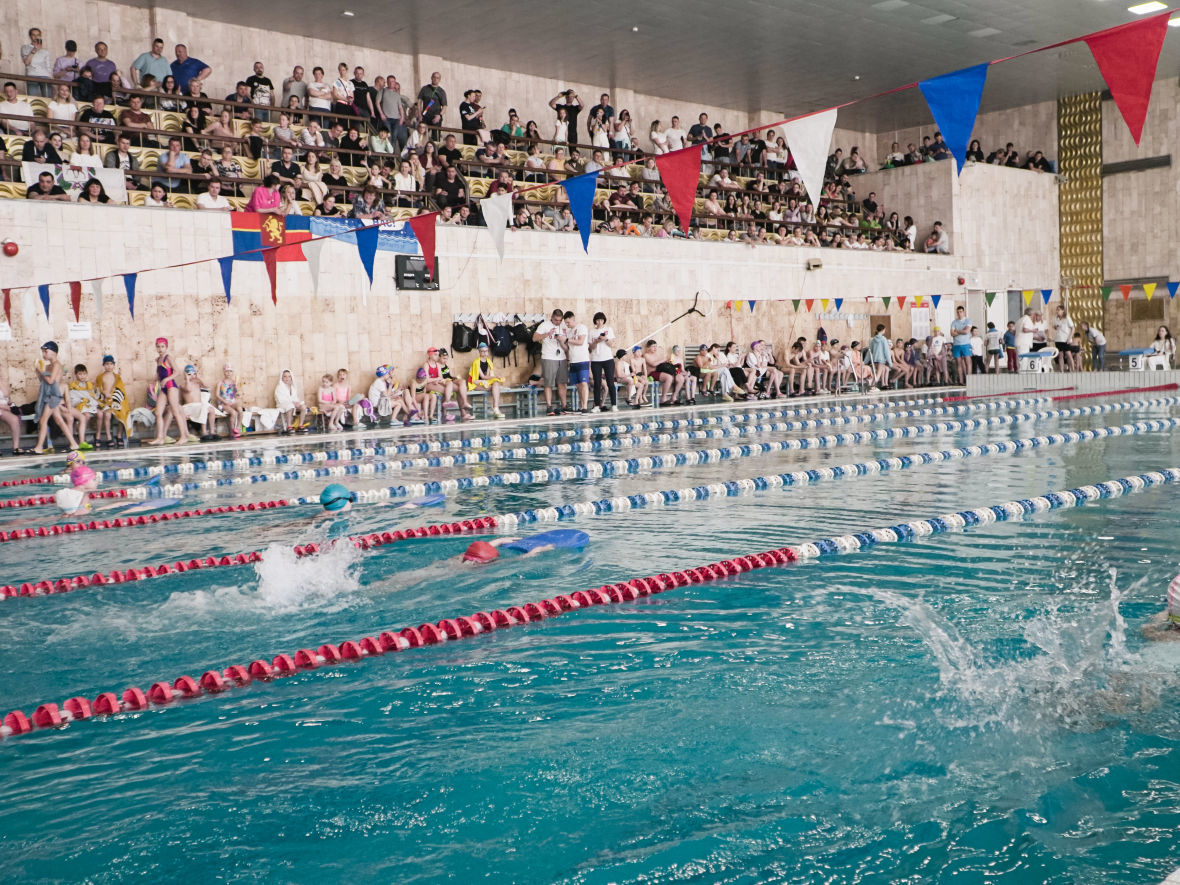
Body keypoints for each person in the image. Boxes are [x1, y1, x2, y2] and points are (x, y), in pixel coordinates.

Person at [33, 341, 78, 454]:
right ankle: (73, 444)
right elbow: (43, 381)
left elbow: (51, 381)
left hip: (53, 396)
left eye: (45, 351)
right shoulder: (48, 366)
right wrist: (38, 372)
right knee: (59, 420)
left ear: (54, 352)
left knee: (43, 420)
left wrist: (41, 370)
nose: (43, 354)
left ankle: (38, 448)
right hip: (49, 395)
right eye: (43, 352)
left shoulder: (57, 365)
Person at [461, 529, 590, 564]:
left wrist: (499, 540)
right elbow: (522, 558)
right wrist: (538, 549)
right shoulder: (489, 565)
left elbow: (476, 552)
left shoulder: (459, 559)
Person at [147, 336, 187, 445]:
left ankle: (183, 436)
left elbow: (177, 371)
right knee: (158, 412)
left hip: (171, 387)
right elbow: (158, 373)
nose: (160, 349)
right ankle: (160, 437)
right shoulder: (158, 360)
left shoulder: (168, 358)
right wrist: (153, 381)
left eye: (162, 346)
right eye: (158, 347)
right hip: (163, 388)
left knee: (175, 411)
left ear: (166, 347)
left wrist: (167, 379)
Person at [534, 308, 569, 416]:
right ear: (552, 317)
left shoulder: (564, 326)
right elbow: (534, 338)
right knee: (548, 383)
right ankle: (549, 407)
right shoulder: (544, 325)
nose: (557, 322)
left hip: (561, 357)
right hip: (548, 357)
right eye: (555, 320)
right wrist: (547, 334)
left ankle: (564, 406)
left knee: (562, 383)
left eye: (559, 320)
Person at [95, 354, 130, 448]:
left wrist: (115, 397)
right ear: (103, 365)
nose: (109, 366)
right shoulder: (100, 377)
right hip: (105, 401)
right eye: (106, 364)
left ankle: (119, 435)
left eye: (111, 364)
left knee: (122, 411)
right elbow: (97, 391)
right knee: (107, 414)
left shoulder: (117, 377)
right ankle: (108, 437)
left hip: (115, 401)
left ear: (114, 365)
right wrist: (104, 393)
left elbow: (121, 390)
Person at [562, 310, 591, 413]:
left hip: (582, 359)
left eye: (568, 322)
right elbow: (568, 348)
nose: (567, 324)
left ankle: (585, 407)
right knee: (578, 385)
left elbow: (580, 341)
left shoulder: (581, 327)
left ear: (573, 319)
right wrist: (561, 341)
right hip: (573, 361)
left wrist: (566, 340)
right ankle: (581, 405)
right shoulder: (569, 332)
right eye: (565, 323)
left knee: (583, 383)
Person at [466, 343, 506, 418]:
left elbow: (488, 376)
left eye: (486, 351)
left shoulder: (489, 362)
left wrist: (496, 378)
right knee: (496, 387)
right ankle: (495, 409)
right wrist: (496, 376)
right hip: (475, 383)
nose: (484, 353)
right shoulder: (476, 362)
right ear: (479, 352)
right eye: (482, 351)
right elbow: (483, 377)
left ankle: (495, 407)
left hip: (485, 383)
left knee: (496, 384)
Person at [587, 312, 617, 412]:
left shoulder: (608, 330)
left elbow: (612, 344)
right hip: (596, 360)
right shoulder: (591, 332)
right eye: (597, 320)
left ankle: (614, 404)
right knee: (597, 383)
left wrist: (605, 339)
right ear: (595, 321)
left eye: (601, 320)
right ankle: (596, 406)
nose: (599, 322)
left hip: (608, 359)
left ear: (604, 321)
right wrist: (596, 341)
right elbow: (590, 348)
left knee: (610, 382)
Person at [643, 339, 686, 406]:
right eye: (653, 346)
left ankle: (673, 397)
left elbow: (661, 363)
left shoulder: (657, 355)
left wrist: (667, 362)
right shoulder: (646, 355)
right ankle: (663, 399)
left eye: (656, 346)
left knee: (680, 378)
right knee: (668, 377)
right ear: (648, 347)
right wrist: (663, 359)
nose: (655, 348)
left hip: (660, 372)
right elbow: (653, 364)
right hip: (651, 374)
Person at [274, 368, 309, 433]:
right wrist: (293, 403)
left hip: (292, 403)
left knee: (303, 407)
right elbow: (281, 399)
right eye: (285, 376)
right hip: (282, 404)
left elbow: (295, 398)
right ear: (282, 377)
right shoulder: (279, 387)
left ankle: (300, 425)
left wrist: (297, 403)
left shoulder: (293, 387)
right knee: (290, 406)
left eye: (289, 376)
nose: (287, 378)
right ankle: (289, 426)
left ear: (291, 377)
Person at [215, 363, 244, 438]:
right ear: (224, 372)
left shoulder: (234, 382)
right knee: (233, 413)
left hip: (232, 401)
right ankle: (232, 431)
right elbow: (217, 395)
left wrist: (237, 389)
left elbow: (236, 394)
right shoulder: (220, 382)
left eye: (230, 371)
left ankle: (237, 428)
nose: (228, 373)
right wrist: (224, 402)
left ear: (232, 372)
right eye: (227, 371)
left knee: (240, 410)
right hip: (223, 403)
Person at [950, 306, 972, 381]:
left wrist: (957, 331)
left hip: (965, 344)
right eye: (958, 312)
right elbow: (952, 334)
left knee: (967, 362)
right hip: (956, 344)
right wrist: (961, 331)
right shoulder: (954, 322)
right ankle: (961, 380)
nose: (959, 313)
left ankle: (968, 379)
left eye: (961, 312)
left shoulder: (968, 321)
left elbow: (966, 332)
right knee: (958, 363)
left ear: (963, 312)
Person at [1052, 305, 1077, 371]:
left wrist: (1070, 337)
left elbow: (1073, 328)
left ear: (1063, 311)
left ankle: (1073, 369)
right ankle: (1061, 370)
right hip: (1058, 339)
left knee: (1068, 354)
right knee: (1060, 355)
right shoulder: (1055, 318)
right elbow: (1055, 327)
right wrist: (1055, 327)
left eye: (1059, 310)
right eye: (1057, 310)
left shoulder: (1067, 318)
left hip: (1065, 339)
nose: (1057, 311)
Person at [869, 325, 892, 389]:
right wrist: (890, 362)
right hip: (881, 360)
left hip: (874, 359)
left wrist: (865, 361)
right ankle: (872, 387)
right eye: (884, 330)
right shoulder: (883, 339)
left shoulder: (873, 339)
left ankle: (872, 386)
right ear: (883, 330)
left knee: (876, 374)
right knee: (878, 374)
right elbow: (887, 352)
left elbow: (870, 351)